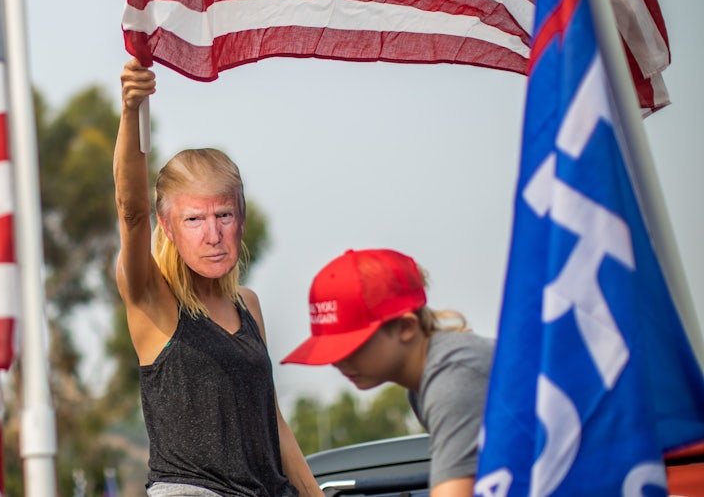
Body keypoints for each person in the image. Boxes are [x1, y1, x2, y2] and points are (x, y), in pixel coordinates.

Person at [114, 59, 323, 497]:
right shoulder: (154, 300)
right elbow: (131, 212)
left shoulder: (248, 304)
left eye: (223, 214)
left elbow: (274, 423)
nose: (213, 234)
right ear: (167, 227)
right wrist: (131, 111)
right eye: (193, 219)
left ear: (241, 219)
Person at [281, 249, 493, 497]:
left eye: (352, 345)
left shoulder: (452, 381)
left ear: (406, 327)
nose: (338, 361)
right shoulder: (424, 384)